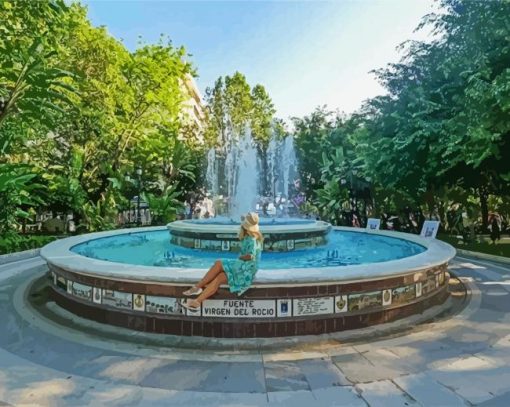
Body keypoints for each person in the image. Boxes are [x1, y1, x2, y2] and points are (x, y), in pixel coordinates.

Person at [181, 212, 264, 310]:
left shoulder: (252, 239)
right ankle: (197, 302)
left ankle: (197, 287)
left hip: (246, 270)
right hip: (246, 269)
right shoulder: (251, 237)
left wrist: (239, 259)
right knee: (220, 277)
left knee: (219, 263)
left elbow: (250, 256)